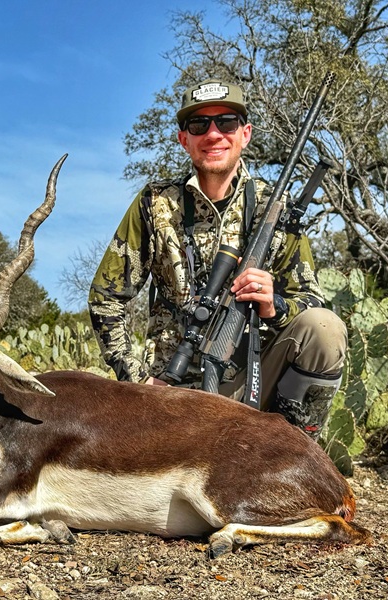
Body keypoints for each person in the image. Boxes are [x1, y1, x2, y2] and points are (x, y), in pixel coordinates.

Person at [88, 78, 347, 439]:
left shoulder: (275, 207)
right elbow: (105, 298)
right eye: (199, 125)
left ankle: (296, 451)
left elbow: (311, 298)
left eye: (226, 122)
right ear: (184, 139)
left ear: (245, 133)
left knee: (325, 328)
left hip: (250, 386)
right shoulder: (154, 202)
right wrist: (137, 380)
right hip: (170, 393)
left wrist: (276, 306)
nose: (213, 134)